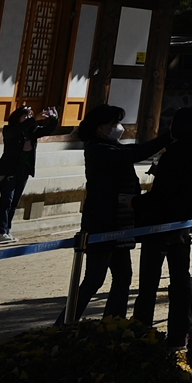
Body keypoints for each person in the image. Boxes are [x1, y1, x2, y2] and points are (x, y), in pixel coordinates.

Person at [67, 104, 166, 323]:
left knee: (123, 277)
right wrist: (166, 138)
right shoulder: (98, 149)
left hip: (121, 223)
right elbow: (135, 153)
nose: (118, 127)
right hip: (103, 222)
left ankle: (113, 324)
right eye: (114, 124)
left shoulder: (112, 146)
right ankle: (64, 324)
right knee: (94, 279)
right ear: (100, 127)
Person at [134, 108, 192, 349]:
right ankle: (180, 332)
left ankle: (142, 329)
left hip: (159, 222)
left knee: (149, 281)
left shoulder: (173, 154)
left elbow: (160, 193)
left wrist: (135, 202)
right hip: (183, 221)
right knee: (180, 279)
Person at [0, 104, 56, 240]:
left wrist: (54, 118)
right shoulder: (10, 130)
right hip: (10, 170)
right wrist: (33, 120)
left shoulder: (32, 131)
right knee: (6, 201)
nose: (29, 117)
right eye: (25, 116)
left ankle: (7, 230)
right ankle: (0, 232)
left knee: (14, 202)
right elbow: (17, 130)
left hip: (24, 170)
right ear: (18, 117)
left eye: (30, 115)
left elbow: (48, 130)